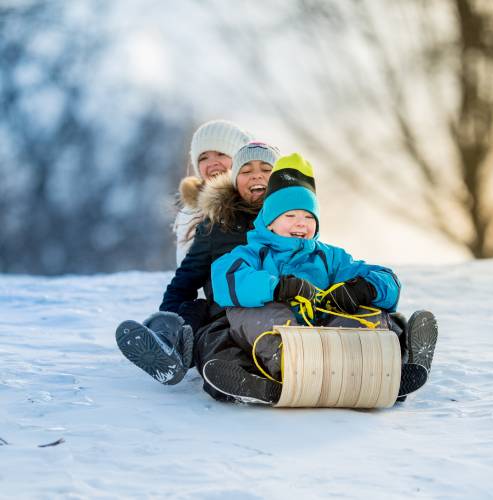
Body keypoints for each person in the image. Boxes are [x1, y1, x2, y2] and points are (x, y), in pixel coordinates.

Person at [201, 153, 439, 404]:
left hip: (331, 344)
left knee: (370, 314)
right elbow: (224, 279)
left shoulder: (329, 257)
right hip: (279, 348)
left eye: (308, 217)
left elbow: (388, 279)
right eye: (290, 216)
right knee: (250, 311)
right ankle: (269, 379)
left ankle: (383, 369)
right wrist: (277, 287)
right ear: (270, 222)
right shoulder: (251, 254)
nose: (301, 224)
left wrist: (363, 289)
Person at [116, 140, 281, 386]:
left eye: (266, 169)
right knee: (199, 322)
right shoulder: (217, 225)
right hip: (224, 315)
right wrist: (168, 319)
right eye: (246, 171)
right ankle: (168, 344)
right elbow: (186, 278)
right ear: (235, 179)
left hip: (277, 311)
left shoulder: (293, 220)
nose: (256, 175)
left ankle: (265, 377)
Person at [174, 119, 252, 265]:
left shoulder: (256, 204)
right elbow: (187, 270)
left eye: (221, 154)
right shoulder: (190, 213)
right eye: (203, 158)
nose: (212, 163)